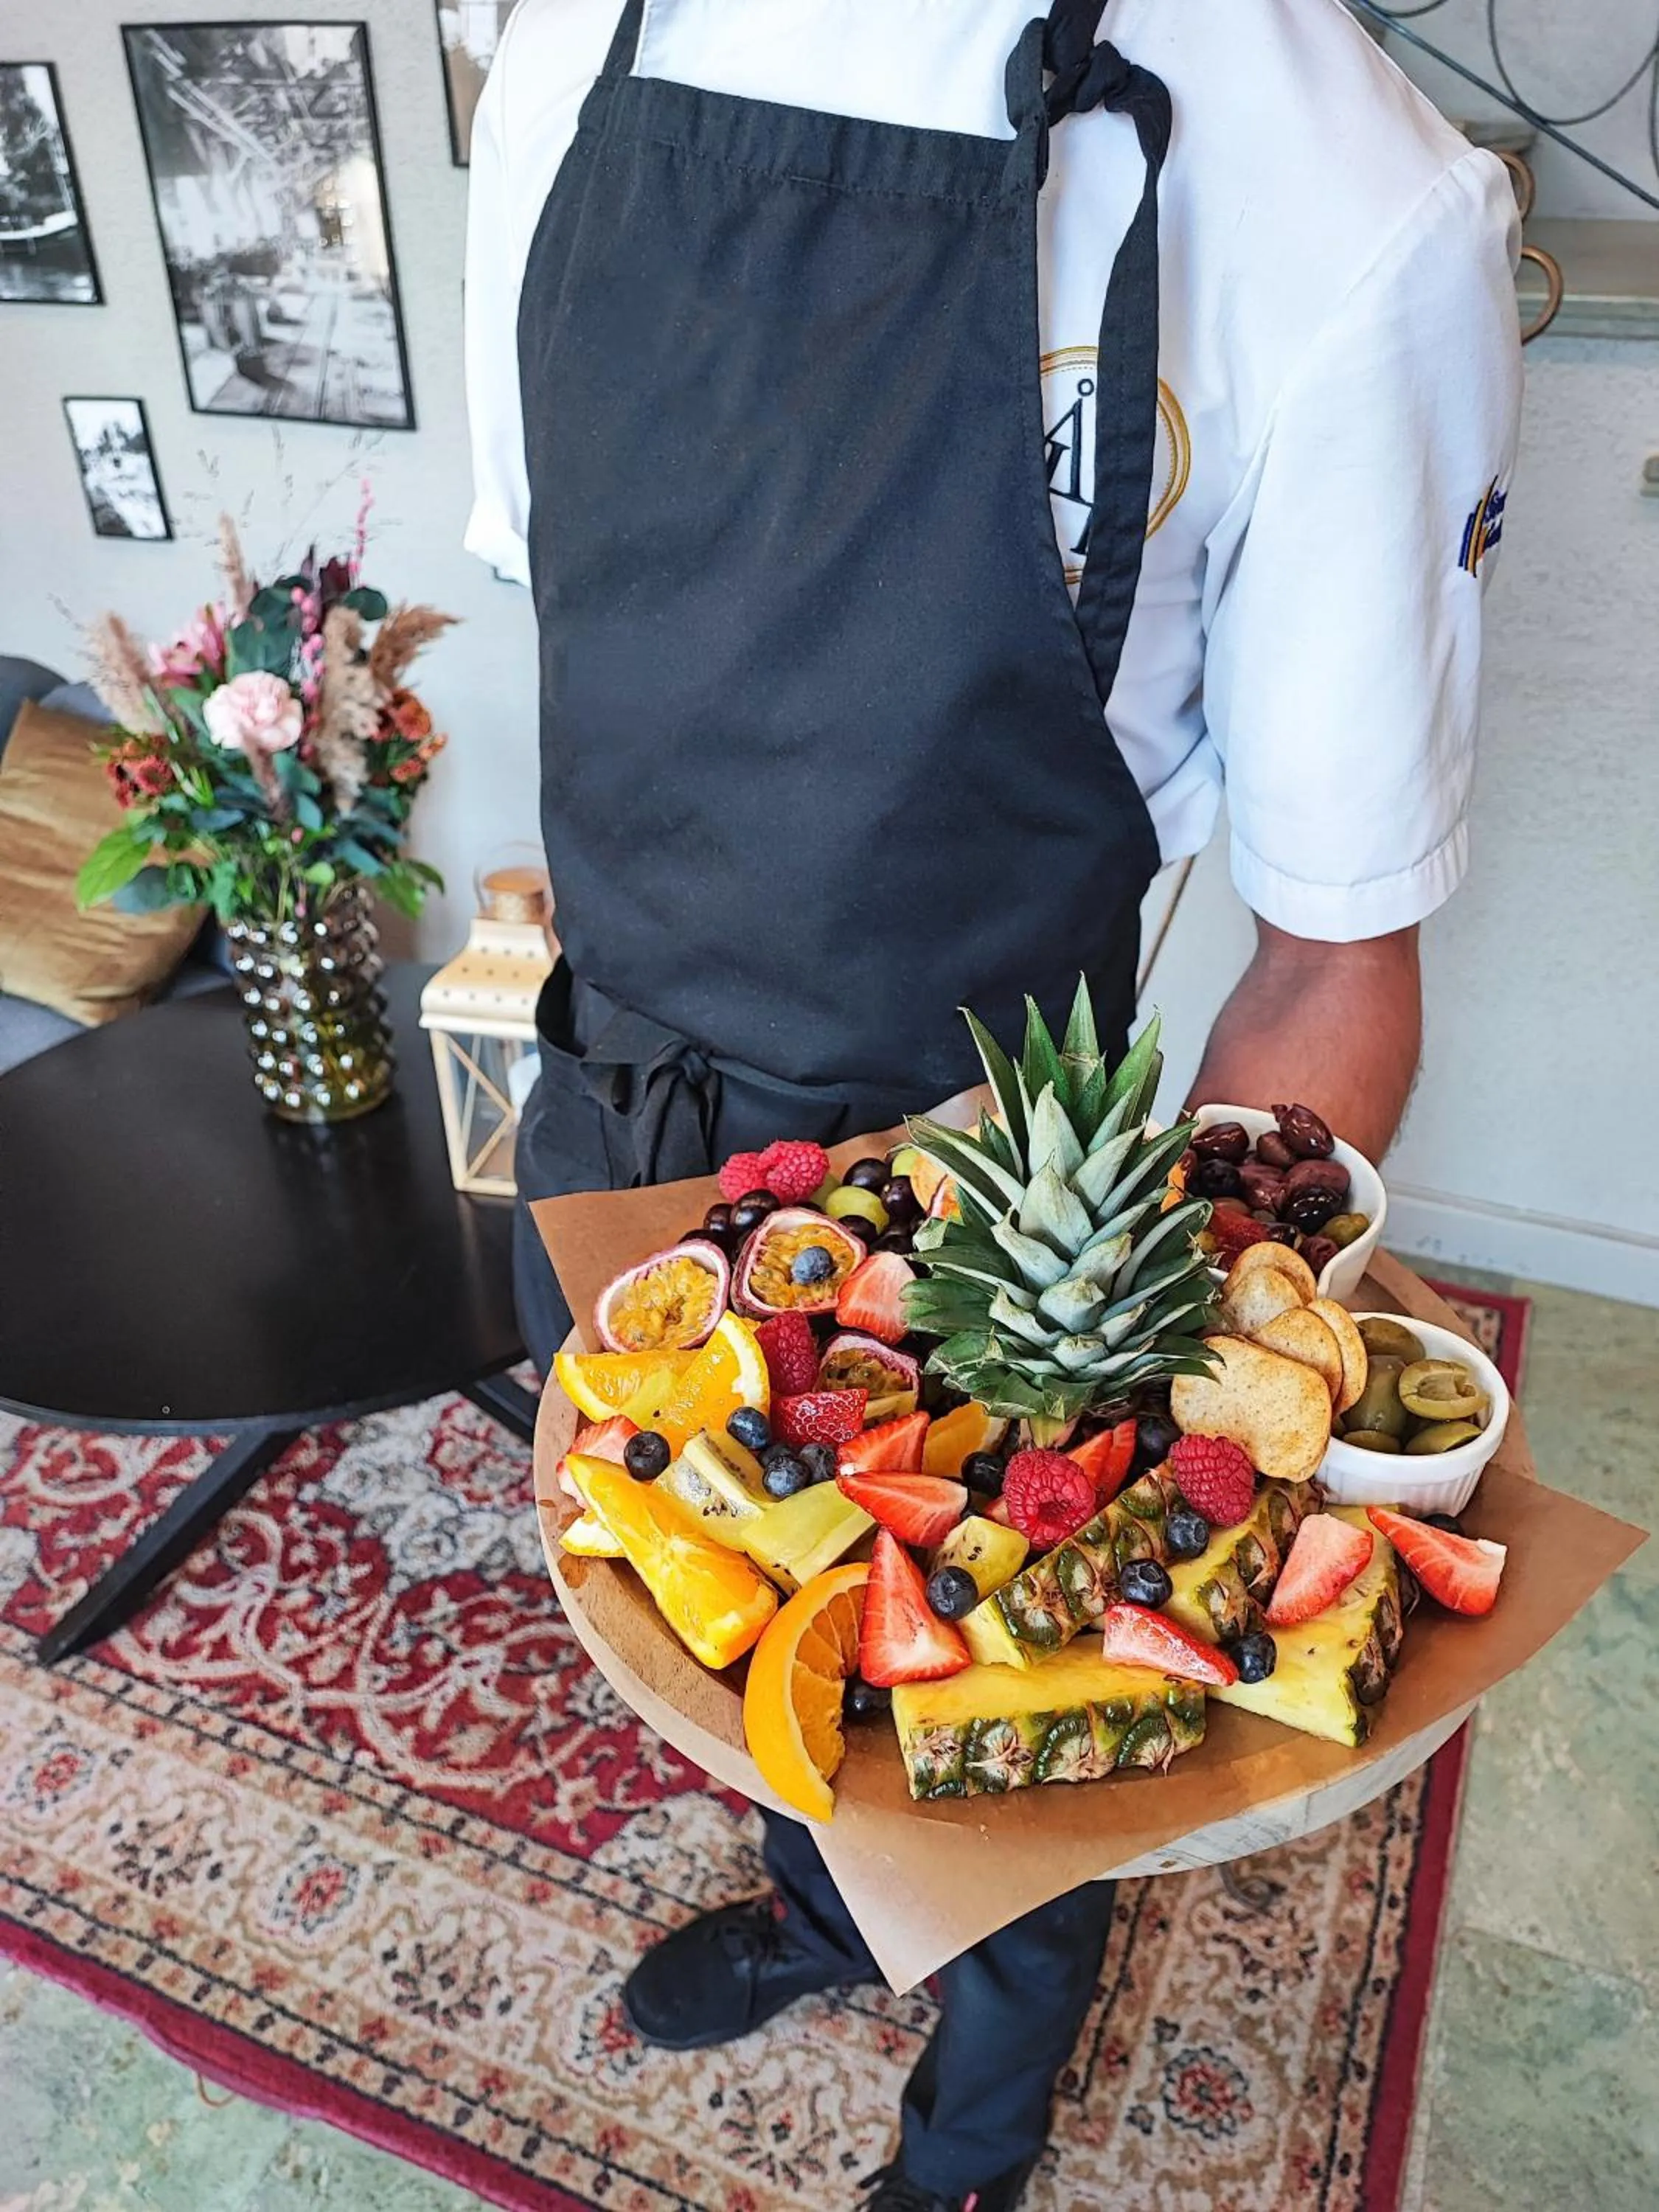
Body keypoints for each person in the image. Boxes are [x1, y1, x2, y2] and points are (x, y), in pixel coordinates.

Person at [465, 2, 1522, 2202]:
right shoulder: (573, 41)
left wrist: (1192, 1424)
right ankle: (817, 1906)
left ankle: (982, 2130)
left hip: (992, 1195)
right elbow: (621, 628)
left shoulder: (1343, 195)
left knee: (1012, 1743)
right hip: (619, 1107)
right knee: (744, 1639)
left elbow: (1332, 949)